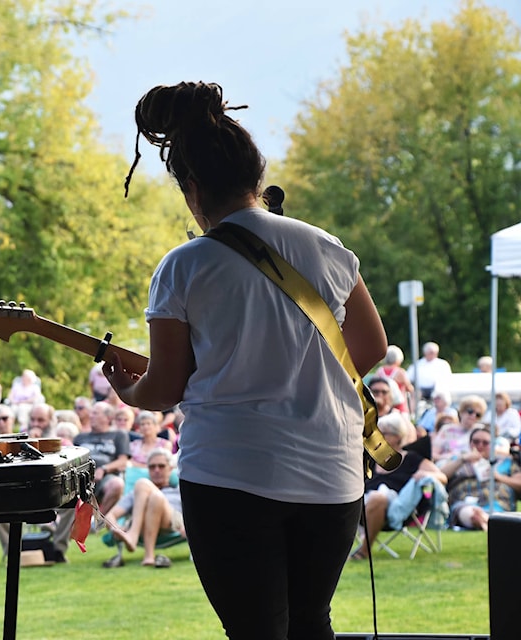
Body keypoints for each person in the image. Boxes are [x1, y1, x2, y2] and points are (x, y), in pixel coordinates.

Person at [101, 80, 389, 640]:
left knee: (254, 630)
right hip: (331, 474)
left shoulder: (184, 266)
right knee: (312, 624)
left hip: (232, 474)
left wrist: (125, 390)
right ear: (258, 177)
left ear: (191, 188)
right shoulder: (326, 247)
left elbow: (162, 389)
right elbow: (372, 347)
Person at [354, 415, 446, 558]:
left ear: (397, 436)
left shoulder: (412, 458)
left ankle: (364, 551)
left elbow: (442, 477)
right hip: (362, 506)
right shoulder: (370, 459)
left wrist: (425, 474)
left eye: (383, 433)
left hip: (397, 506)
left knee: (377, 498)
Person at [104, 449, 185, 568]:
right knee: (152, 494)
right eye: (152, 467)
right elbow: (109, 516)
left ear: (170, 468)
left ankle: (133, 536)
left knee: (149, 489)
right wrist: (117, 529)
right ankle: (149, 556)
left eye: (161, 466)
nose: (156, 470)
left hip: (173, 523)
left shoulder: (178, 490)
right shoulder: (136, 493)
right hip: (143, 524)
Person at [439, 427, 521, 531]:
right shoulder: (458, 460)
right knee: (469, 512)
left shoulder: (506, 462)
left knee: (490, 514)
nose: (480, 446)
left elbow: (519, 483)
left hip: (498, 504)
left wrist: (499, 477)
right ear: (470, 443)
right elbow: (439, 476)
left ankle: (484, 521)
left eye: (485, 443)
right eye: (476, 442)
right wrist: (462, 460)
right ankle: (483, 521)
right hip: (465, 503)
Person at [433, 395, 487, 463]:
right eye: (470, 412)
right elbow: (433, 454)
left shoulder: (481, 431)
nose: (474, 416)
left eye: (478, 415)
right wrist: (448, 458)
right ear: (461, 412)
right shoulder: (448, 430)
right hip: (448, 466)